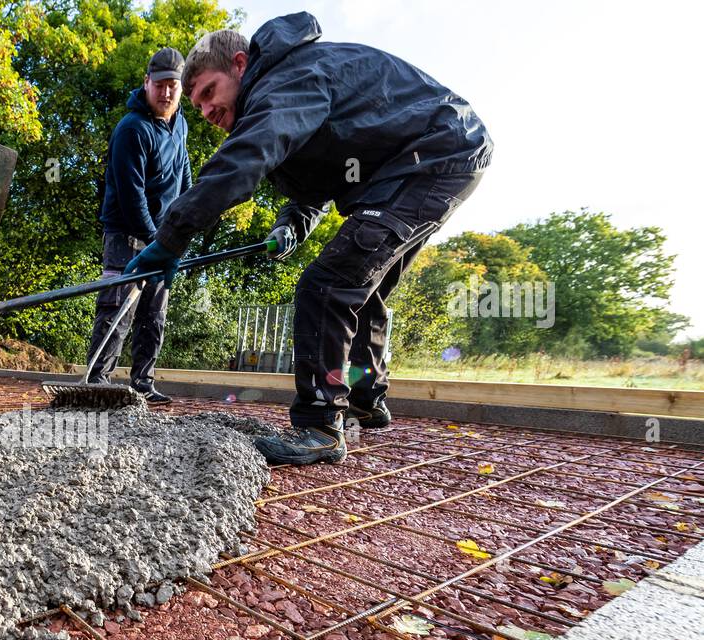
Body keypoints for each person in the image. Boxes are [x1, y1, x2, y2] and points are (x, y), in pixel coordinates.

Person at [124, 14, 492, 463]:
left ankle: (320, 427)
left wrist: (169, 239)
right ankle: (365, 400)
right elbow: (316, 186)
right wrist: (290, 226)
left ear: (240, 65)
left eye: (208, 93)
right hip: (427, 160)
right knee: (364, 287)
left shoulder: (286, 80)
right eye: (197, 105)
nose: (205, 111)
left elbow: (245, 160)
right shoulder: (284, 91)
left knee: (328, 285)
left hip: (433, 155)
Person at [86, 47, 193, 405]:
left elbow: (185, 176)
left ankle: (142, 383)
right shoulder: (132, 129)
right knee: (117, 308)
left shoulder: (180, 125)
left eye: (173, 87)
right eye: (159, 85)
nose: (166, 93)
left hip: (162, 238)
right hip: (126, 234)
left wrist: (184, 227)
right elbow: (132, 198)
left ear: (181, 89)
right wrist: (158, 241)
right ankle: (96, 381)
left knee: (154, 311)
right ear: (147, 83)